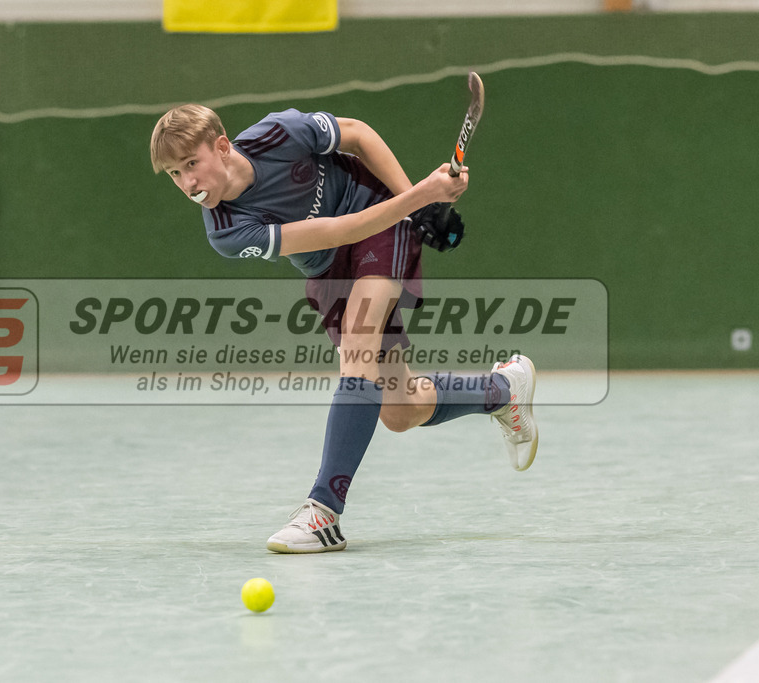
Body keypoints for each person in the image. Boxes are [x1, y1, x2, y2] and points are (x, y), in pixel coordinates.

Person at [150, 104, 538, 553]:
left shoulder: (278, 133)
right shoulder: (226, 230)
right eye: (175, 174)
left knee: (358, 346)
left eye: (191, 164)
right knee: (400, 410)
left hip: (377, 212)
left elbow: (356, 134)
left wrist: (414, 201)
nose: (187, 184)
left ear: (221, 146)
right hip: (332, 260)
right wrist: (421, 198)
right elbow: (336, 232)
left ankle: (324, 511)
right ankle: (503, 390)